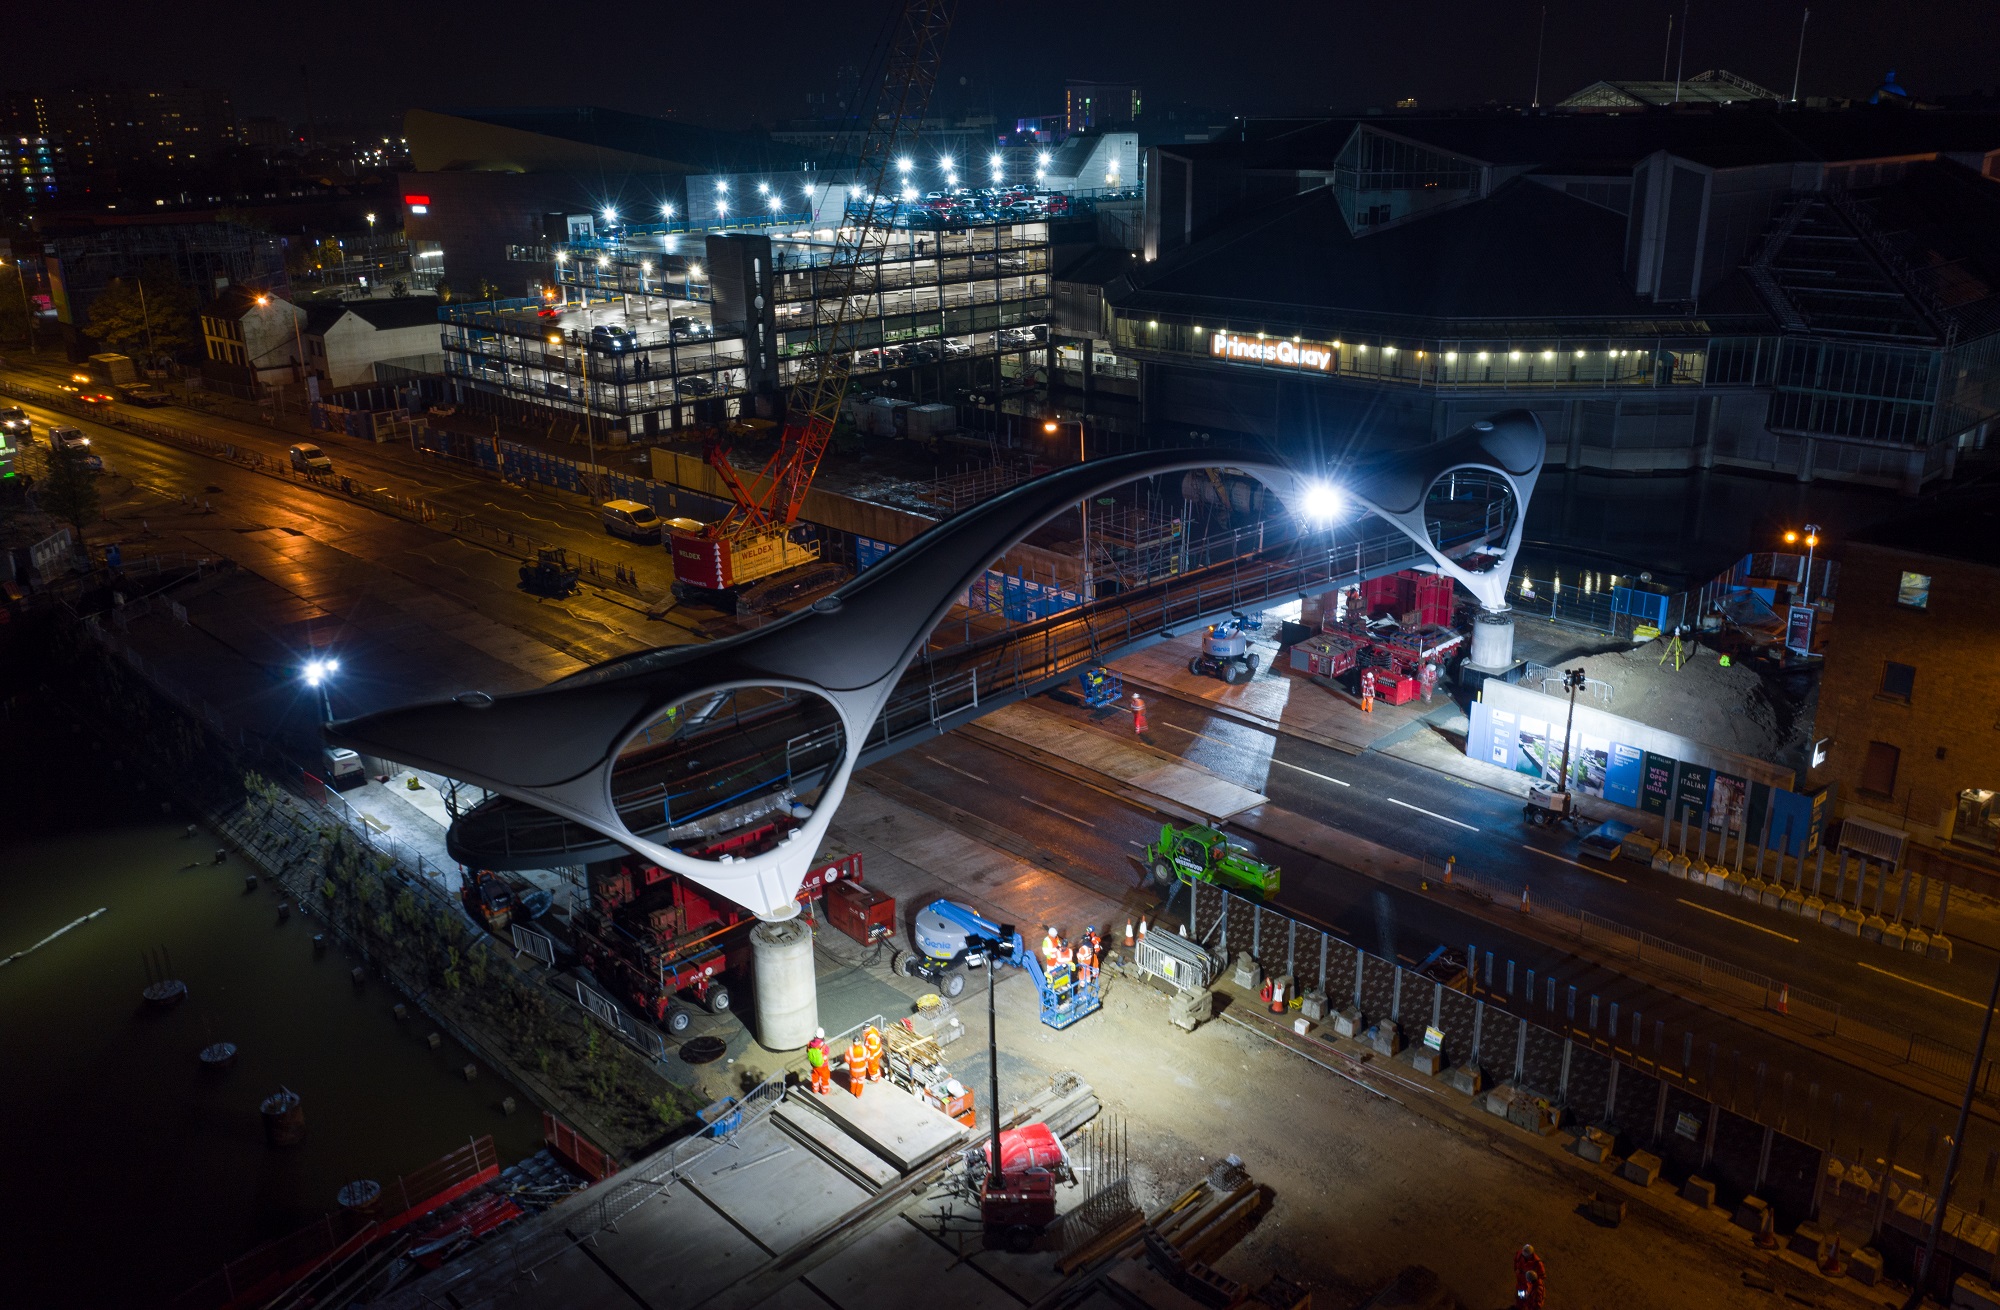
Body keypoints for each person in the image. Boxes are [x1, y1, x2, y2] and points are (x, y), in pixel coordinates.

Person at [1514, 1244, 1546, 1308]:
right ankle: (1520, 1305)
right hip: (1522, 1281)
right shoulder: (1520, 1254)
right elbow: (1516, 1261)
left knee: (1528, 1297)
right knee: (1521, 1295)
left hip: (1528, 1282)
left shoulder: (1537, 1262)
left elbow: (1542, 1275)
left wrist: (1533, 1279)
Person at [806, 1029, 831, 1095]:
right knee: (825, 1077)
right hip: (823, 1065)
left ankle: (815, 1089)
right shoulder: (823, 1045)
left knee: (815, 1076)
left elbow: (807, 1051)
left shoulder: (809, 1043)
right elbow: (827, 1051)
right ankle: (825, 1090)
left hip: (814, 1064)